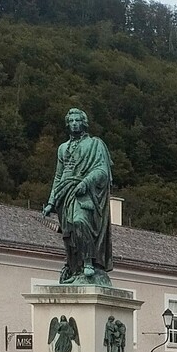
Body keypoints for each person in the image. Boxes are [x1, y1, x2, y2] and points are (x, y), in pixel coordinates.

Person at [40, 107, 114, 284]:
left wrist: (86, 182)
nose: (74, 124)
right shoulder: (62, 148)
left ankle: (88, 262)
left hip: (85, 193)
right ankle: (75, 267)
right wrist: (51, 202)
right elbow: (59, 176)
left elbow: (102, 171)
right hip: (65, 194)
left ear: (84, 123)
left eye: (77, 120)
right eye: (71, 121)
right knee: (70, 233)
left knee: (80, 222)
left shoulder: (96, 144)